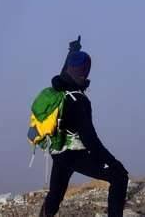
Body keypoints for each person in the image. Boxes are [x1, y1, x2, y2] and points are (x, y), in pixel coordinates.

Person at [39, 39, 129, 217]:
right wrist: (112, 162)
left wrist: (72, 51)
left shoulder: (59, 89)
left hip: (58, 150)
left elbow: (66, 70)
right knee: (119, 177)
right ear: (85, 72)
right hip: (74, 154)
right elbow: (90, 140)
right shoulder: (79, 101)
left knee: (56, 193)